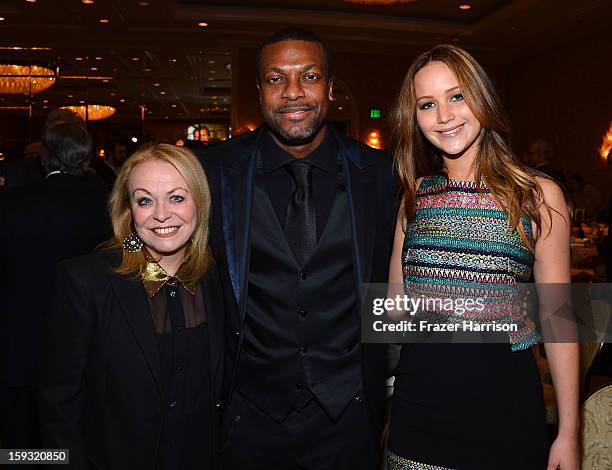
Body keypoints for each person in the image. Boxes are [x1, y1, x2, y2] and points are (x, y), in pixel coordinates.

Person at [198, 27, 396, 469]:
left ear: (329, 87)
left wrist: (528, 315)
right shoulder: (214, 171)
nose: (293, 92)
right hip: (245, 414)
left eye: (308, 76)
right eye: (275, 79)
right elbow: (156, 240)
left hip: (349, 416)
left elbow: (408, 283)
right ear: (259, 90)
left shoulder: (380, 175)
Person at [387, 45, 579, 469]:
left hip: (505, 414)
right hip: (417, 413)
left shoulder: (536, 197)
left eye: (457, 96)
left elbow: (559, 319)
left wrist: (568, 432)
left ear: (482, 98)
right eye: (427, 104)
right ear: (415, 118)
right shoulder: (414, 198)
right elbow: (396, 316)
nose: (444, 115)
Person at [39, 144, 227, 470]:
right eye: (145, 200)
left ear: (200, 202)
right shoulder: (86, 280)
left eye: (177, 197)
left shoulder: (217, 276)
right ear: (129, 211)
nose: (161, 213)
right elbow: (58, 403)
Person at [0, 111, 111, 456]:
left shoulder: (9, 205)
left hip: (19, 344)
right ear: (88, 157)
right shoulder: (109, 208)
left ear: (43, 157)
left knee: (19, 442)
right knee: (76, 436)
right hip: (88, 342)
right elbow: (132, 256)